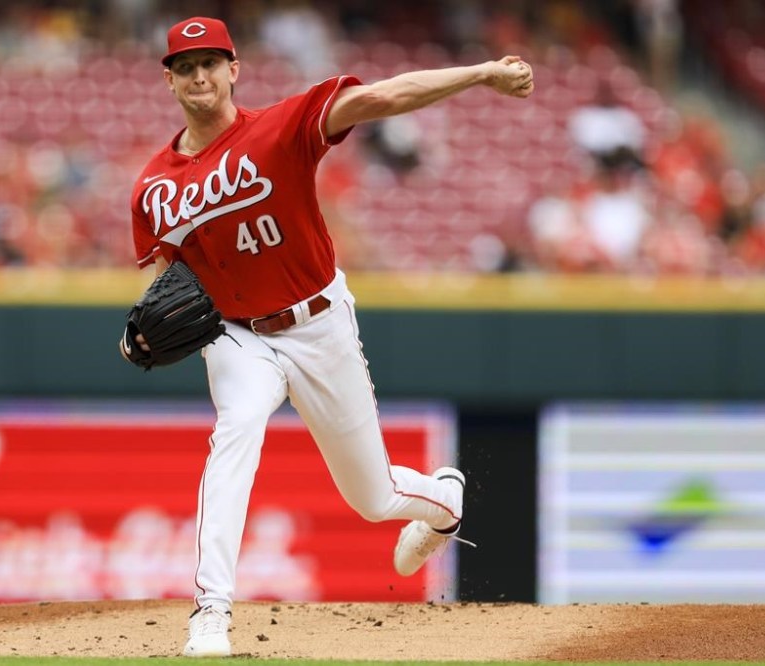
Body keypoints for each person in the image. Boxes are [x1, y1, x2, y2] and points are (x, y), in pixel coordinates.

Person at [122, 16, 534, 657]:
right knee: (236, 428)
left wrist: (479, 73)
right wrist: (141, 336)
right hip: (238, 336)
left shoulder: (282, 127)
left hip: (318, 324)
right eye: (184, 66)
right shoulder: (153, 187)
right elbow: (165, 283)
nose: (198, 76)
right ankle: (211, 611)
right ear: (168, 80)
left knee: (373, 498)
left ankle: (443, 501)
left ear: (234, 69)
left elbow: (382, 98)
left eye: (210, 63)